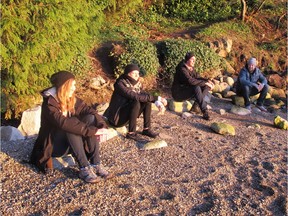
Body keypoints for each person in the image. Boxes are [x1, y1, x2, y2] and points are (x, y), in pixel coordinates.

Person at [30, 71, 112, 183]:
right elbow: (63, 123)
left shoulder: (71, 98)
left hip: (71, 143)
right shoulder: (49, 104)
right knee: (71, 124)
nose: (74, 88)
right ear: (64, 86)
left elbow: (90, 111)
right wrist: (93, 131)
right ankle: (84, 168)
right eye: (72, 85)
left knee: (90, 118)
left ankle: (96, 164)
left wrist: (102, 126)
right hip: (54, 146)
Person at [104, 64, 167, 142]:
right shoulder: (120, 84)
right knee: (136, 102)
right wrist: (157, 98)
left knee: (146, 101)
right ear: (128, 74)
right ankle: (131, 133)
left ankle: (146, 129)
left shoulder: (137, 84)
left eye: (138, 73)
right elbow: (134, 96)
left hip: (126, 115)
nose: (137, 75)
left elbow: (144, 95)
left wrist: (158, 101)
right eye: (134, 73)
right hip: (116, 118)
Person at [171, 52, 214, 120]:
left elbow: (198, 77)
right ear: (188, 60)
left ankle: (196, 107)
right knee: (196, 87)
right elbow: (191, 81)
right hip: (178, 93)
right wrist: (205, 83)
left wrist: (208, 81)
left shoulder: (191, 68)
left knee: (206, 86)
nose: (194, 61)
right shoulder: (182, 69)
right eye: (192, 59)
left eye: (195, 60)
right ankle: (204, 111)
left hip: (186, 90)